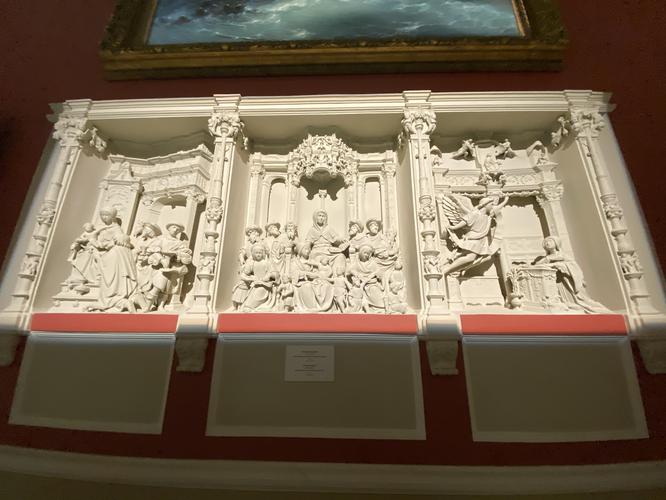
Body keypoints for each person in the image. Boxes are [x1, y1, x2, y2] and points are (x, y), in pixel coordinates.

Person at [533, 236, 607, 313]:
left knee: (583, 300)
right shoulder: (547, 258)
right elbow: (537, 265)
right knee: (566, 302)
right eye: (545, 242)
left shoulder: (562, 255)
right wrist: (547, 260)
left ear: (556, 243)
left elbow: (572, 265)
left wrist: (555, 264)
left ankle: (599, 310)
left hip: (570, 281)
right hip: (559, 282)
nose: (547, 243)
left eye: (550, 241)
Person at [440, 195, 509, 276]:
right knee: (470, 258)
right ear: (485, 205)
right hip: (472, 239)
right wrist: (454, 227)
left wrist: (505, 201)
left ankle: (450, 267)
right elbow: (465, 221)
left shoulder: (488, 217)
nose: (492, 207)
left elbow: (497, 208)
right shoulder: (475, 214)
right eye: (491, 205)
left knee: (466, 256)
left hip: (480, 241)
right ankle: (447, 269)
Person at [88, 207, 137, 311]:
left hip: (111, 254)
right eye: (102, 215)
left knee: (110, 277)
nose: (104, 217)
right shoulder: (102, 228)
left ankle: (113, 298)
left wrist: (97, 243)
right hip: (105, 252)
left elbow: (115, 242)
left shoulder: (116, 229)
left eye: (107, 215)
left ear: (113, 216)